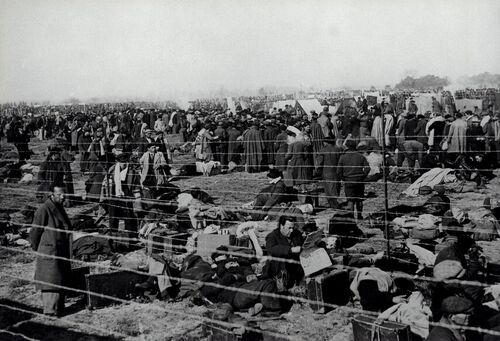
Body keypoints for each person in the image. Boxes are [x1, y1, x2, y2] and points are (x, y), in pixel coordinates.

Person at [30, 184, 72, 316]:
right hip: (49, 251)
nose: (63, 196)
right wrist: (40, 248)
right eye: (60, 194)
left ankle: (58, 308)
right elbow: (35, 232)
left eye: (64, 193)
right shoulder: (44, 209)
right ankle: (50, 311)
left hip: (59, 250)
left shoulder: (59, 207)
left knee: (59, 279)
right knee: (51, 281)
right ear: (51, 195)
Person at [264, 215, 304, 290]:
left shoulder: (296, 234)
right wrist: (291, 250)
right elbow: (272, 249)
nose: (291, 230)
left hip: (296, 265)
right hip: (280, 268)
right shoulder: (272, 236)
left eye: (292, 227)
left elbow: (301, 244)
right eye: (289, 228)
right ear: (281, 226)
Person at [337, 139, 370, 219]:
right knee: (359, 200)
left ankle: (351, 216)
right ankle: (359, 215)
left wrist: (343, 178)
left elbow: (338, 171)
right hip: (359, 180)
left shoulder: (343, 157)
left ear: (347, 147)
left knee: (350, 200)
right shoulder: (360, 156)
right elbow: (367, 168)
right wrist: (363, 176)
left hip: (348, 180)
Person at [316, 137, 343, 209]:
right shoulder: (339, 149)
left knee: (329, 189)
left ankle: (333, 204)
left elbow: (319, 162)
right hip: (336, 171)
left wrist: (318, 170)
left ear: (326, 142)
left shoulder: (323, 150)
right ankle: (334, 203)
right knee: (336, 187)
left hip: (326, 171)